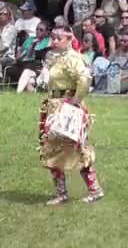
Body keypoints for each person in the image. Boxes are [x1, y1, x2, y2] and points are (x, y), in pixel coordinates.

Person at [39, 25, 104, 205]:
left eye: (58, 38)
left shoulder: (74, 58)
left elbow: (84, 79)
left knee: (77, 147)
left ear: (68, 39)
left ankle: (94, 189)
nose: (54, 41)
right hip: (53, 106)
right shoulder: (55, 57)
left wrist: (75, 100)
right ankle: (61, 193)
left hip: (67, 108)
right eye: (52, 38)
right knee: (50, 147)